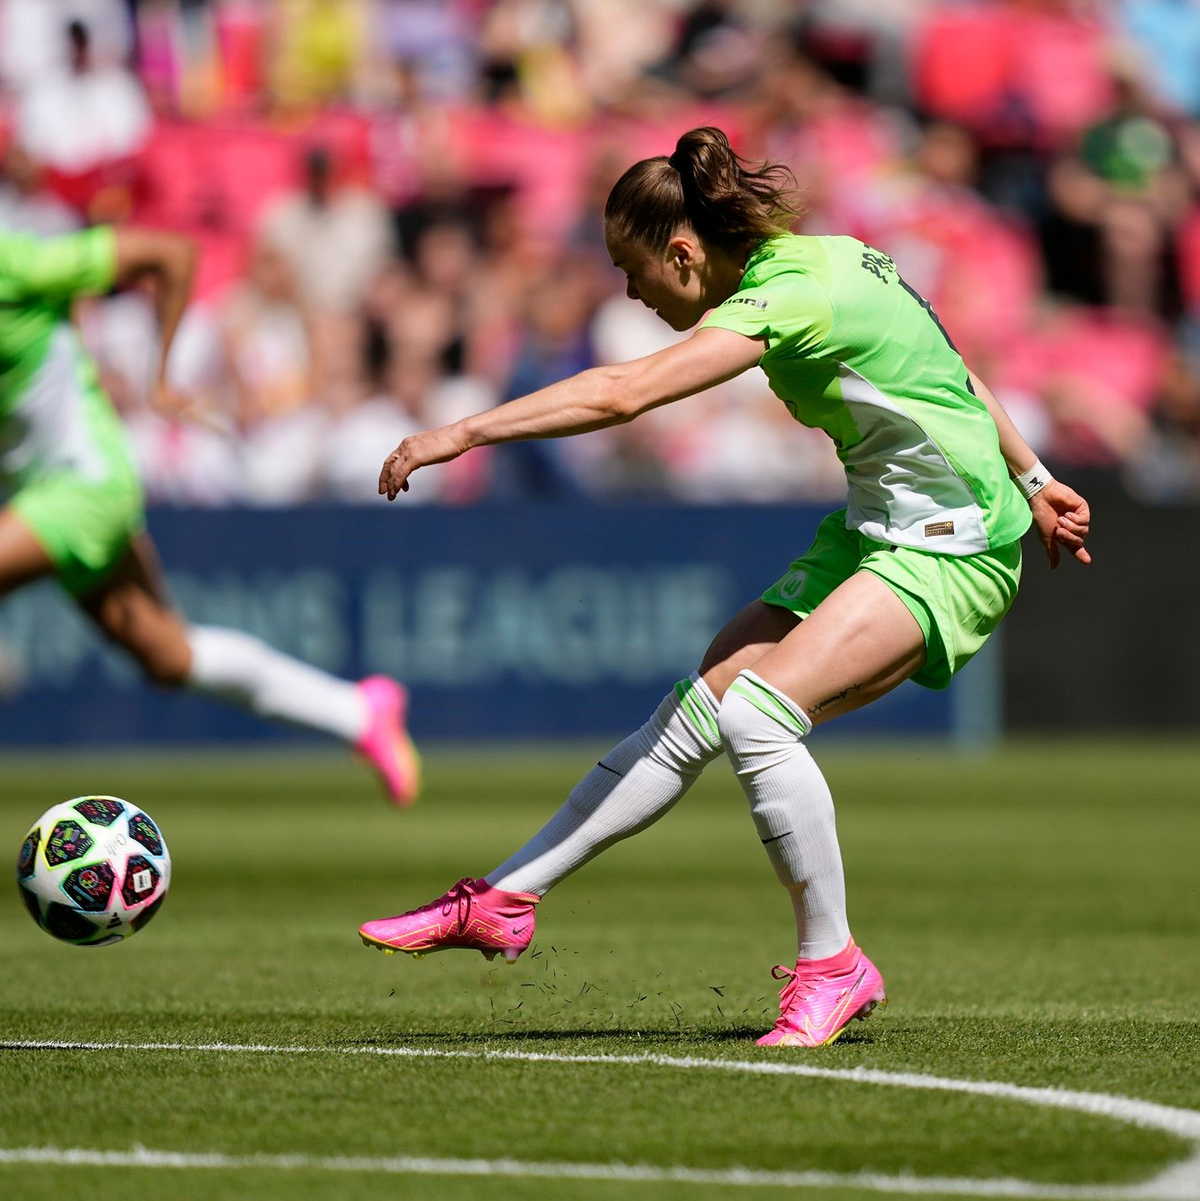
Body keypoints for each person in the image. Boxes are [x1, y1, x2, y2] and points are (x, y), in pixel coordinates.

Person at [358, 127, 1091, 1047]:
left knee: (755, 713)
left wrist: (458, 434)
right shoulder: (836, 256)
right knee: (705, 702)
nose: (630, 291)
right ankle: (507, 896)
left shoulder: (788, 297)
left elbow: (625, 392)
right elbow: (955, 372)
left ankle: (836, 964)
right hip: (884, 527)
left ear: (684, 251)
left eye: (633, 270)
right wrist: (1035, 475)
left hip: (953, 544)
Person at [0, 222, 419, 805]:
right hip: (41, 496)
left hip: (85, 489)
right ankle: (357, 712)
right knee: (169, 656)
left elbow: (171, 251)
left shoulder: (14, 264)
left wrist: (162, 378)